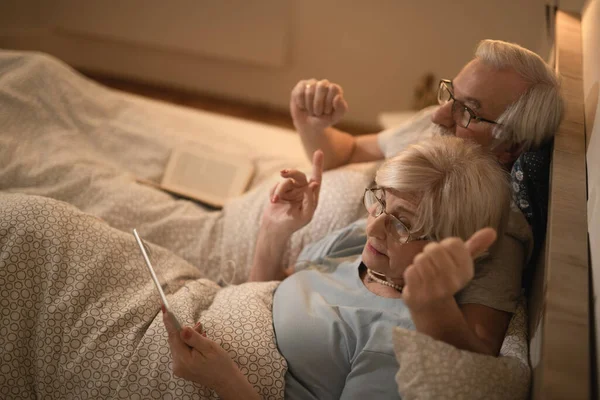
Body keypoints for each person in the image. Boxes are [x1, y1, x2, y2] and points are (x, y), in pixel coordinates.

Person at [164, 135, 513, 399]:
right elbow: (265, 297)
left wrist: (222, 380)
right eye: (379, 201)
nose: (373, 227)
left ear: (448, 244)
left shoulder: (399, 342)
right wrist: (274, 231)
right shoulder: (358, 245)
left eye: (402, 224)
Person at [289, 39, 563, 172]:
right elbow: (349, 153)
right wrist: (311, 125)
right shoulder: (436, 124)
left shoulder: (470, 218)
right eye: (450, 94)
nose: (438, 116)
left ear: (512, 147)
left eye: (468, 111)